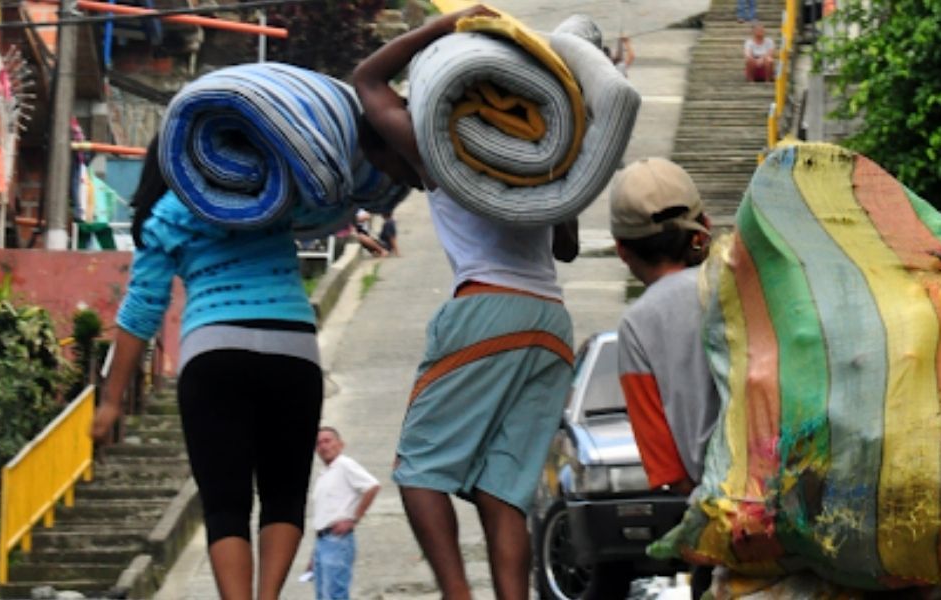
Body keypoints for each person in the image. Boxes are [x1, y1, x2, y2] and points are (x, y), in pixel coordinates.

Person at [352, 6, 580, 600]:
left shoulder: (440, 154)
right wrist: (554, 170)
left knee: (420, 471)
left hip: (487, 309)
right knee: (502, 489)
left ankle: (457, 595)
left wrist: (444, 27)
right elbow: (568, 244)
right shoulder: (534, 155)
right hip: (551, 324)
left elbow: (367, 83)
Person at [90, 136, 324, 600]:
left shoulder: (168, 214)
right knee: (285, 494)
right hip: (293, 346)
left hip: (214, 351)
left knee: (225, 505)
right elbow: (329, 206)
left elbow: (141, 310)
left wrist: (111, 401)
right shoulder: (272, 193)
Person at [610, 157, 720, 599]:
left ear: (622, 249)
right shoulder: (745, 282)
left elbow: (670, 468)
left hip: (726, 528)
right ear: (704, 225)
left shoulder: (638, 326)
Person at [308, 426, 381, 600]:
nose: (323, 446)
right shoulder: (324, 474)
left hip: (337, 540)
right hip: (322, 540)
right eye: (319, 443)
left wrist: (353, 519)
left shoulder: (344, 464)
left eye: (328, 441)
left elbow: (372, 486)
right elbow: (324, 514)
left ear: (340, 444)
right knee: (322, 594)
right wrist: (314, 555)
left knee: (334, 595)